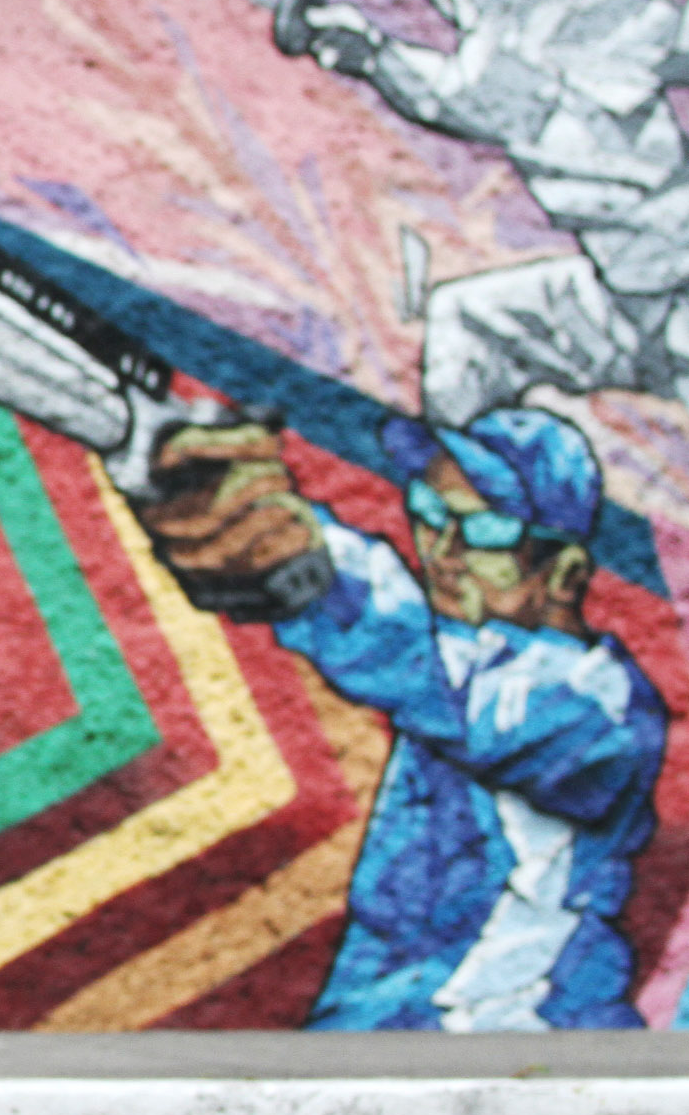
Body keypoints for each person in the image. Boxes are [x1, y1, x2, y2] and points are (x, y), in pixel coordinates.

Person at [138, 405, 666, 1029]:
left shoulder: (598, 708)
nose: (442, 550)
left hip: (512, 1050)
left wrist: (310, 559)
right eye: (429, 512)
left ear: (565, 573)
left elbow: (431, 671)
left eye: (483, 532)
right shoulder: (457, 666)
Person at [274, 0, 689, 427]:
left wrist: (368, 51)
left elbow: (455, 91)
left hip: (675, 307)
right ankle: (476, 506)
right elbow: (457, 89)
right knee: (466, 320)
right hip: (630, 306)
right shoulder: (530, 31)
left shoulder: (557, 16)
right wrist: (369, 50)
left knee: (467, 322)